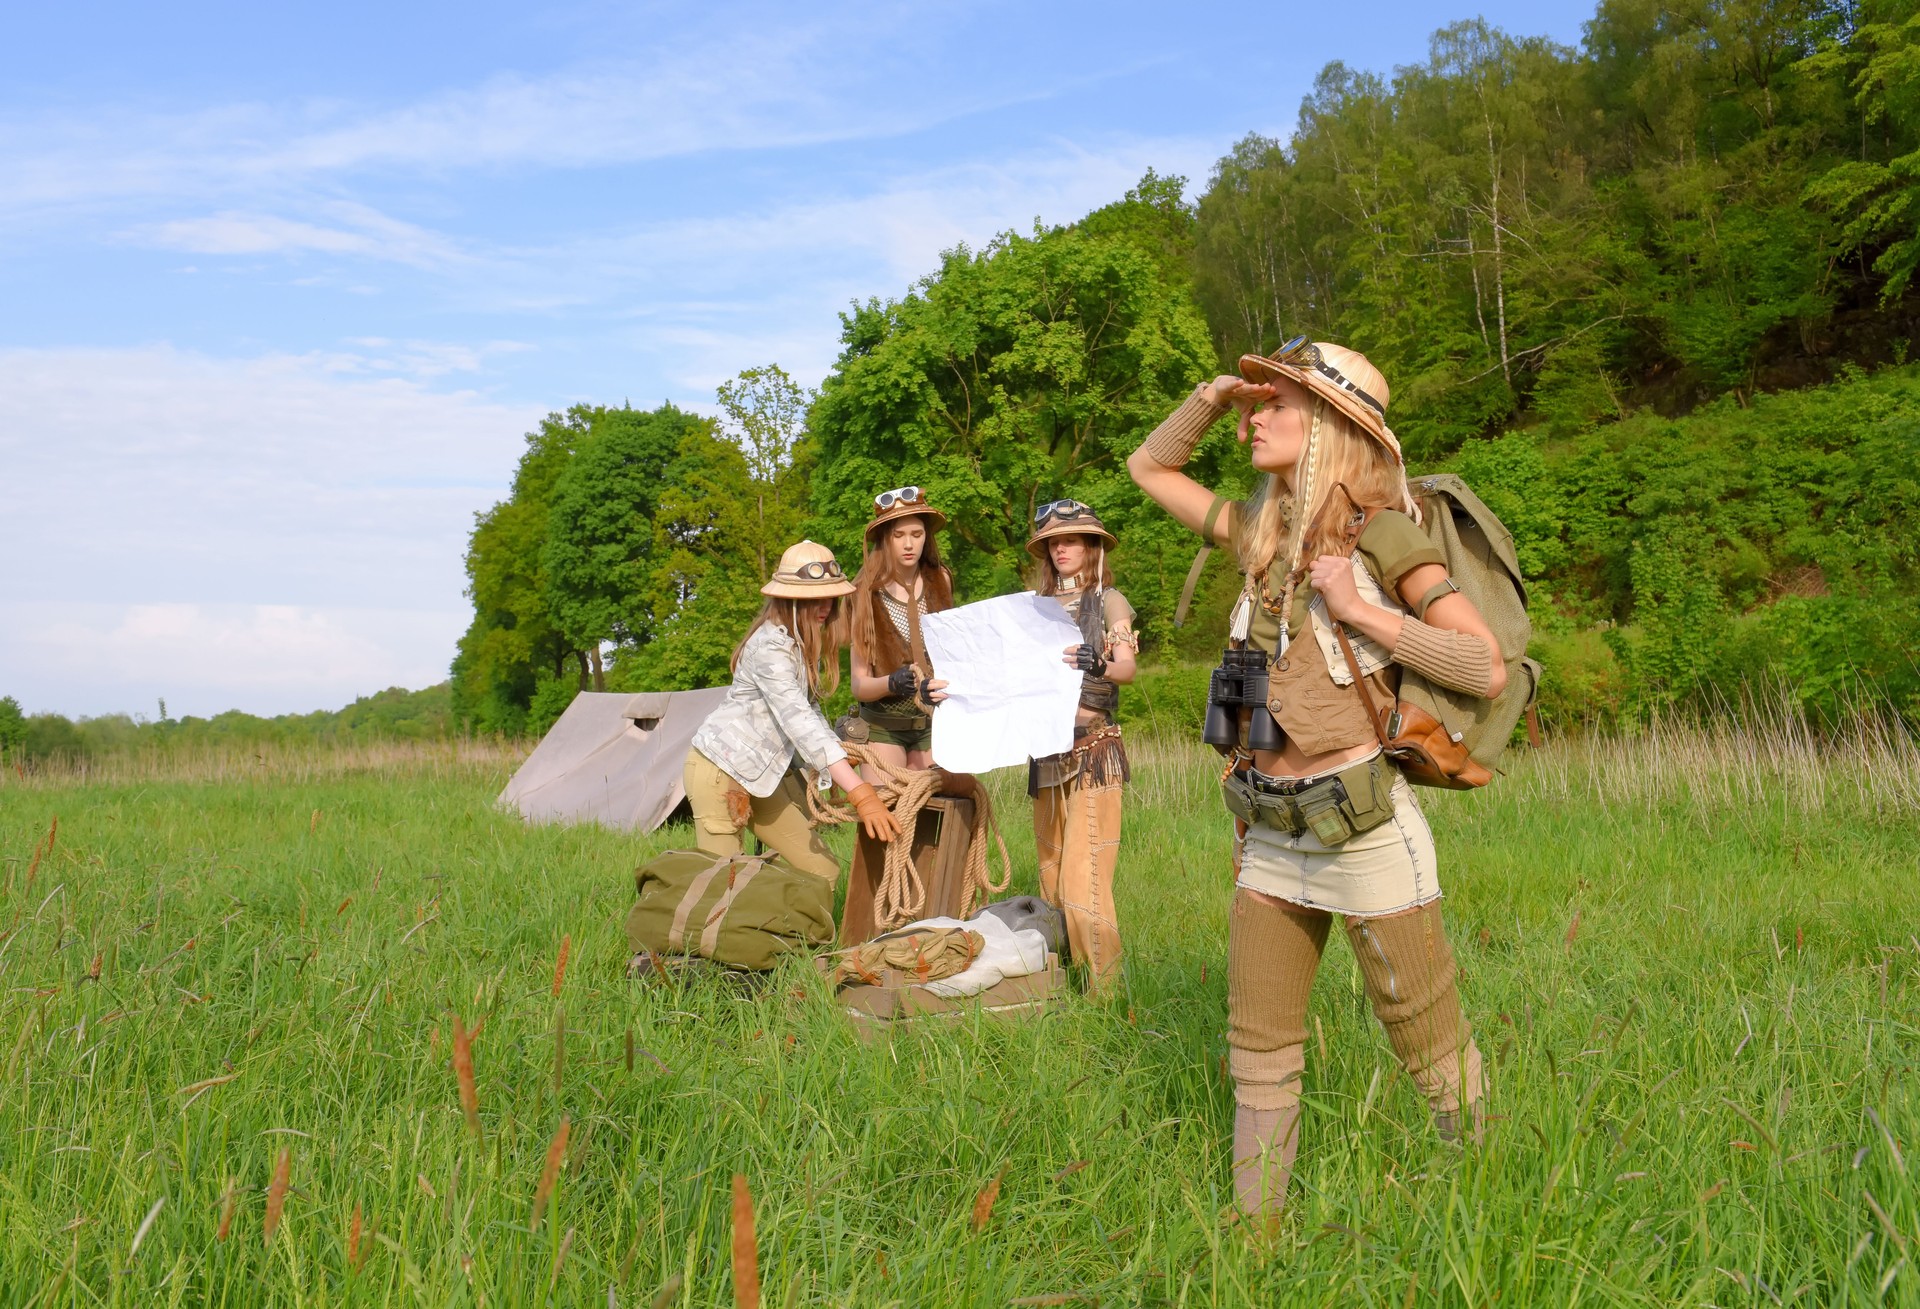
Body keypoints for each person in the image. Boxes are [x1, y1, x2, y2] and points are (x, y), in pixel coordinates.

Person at [1126, 338, 1507, 1228]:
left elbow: (1481, 666)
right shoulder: (1261, 532)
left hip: (1367, 834)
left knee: (1431, 1046)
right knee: (1257, 1051)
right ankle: (1254, 1243)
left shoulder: (1382, 530)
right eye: (1256, 405)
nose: (1255, 417)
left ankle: (1493, 1204)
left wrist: (1364, 608)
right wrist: (1212, 395)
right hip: (1269, 833)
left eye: (1277, 406)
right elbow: (1149, 466)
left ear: (1331, 426)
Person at [685, 541, 901, 879]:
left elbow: (810, 711)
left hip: (764, 779)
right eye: (813, 599)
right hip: (719, 773)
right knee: (720, 888)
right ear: (788, 599)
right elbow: (799, 722)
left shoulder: (800, 644)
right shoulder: (770, 647)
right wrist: (861, 793)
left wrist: (840, 754)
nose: (825, 607)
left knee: (822, 873)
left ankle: (793, 933)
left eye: (830, 598)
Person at [1024, 500, 1137, 996]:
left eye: (1070, 539)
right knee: (1050, 879)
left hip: (1093, 748)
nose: (1061, 548)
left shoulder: (1109, 599)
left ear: (1092, 546)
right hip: (1045, 754)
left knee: (1083, 879)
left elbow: (1127, 669)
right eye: (1053, 542)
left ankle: (1105, 994)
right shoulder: (1031, 606)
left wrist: (1100, 662)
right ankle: (1061, 985)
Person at [849, 486, 953, 781]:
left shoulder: (941, 579)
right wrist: (891, 682)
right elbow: (859, 684)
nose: (909, 544)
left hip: (934, 721)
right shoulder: (864, 592)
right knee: (885, 815)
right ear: (885, 539)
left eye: (917, 535)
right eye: (899, 536)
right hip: (884, 725)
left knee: (943, 814)